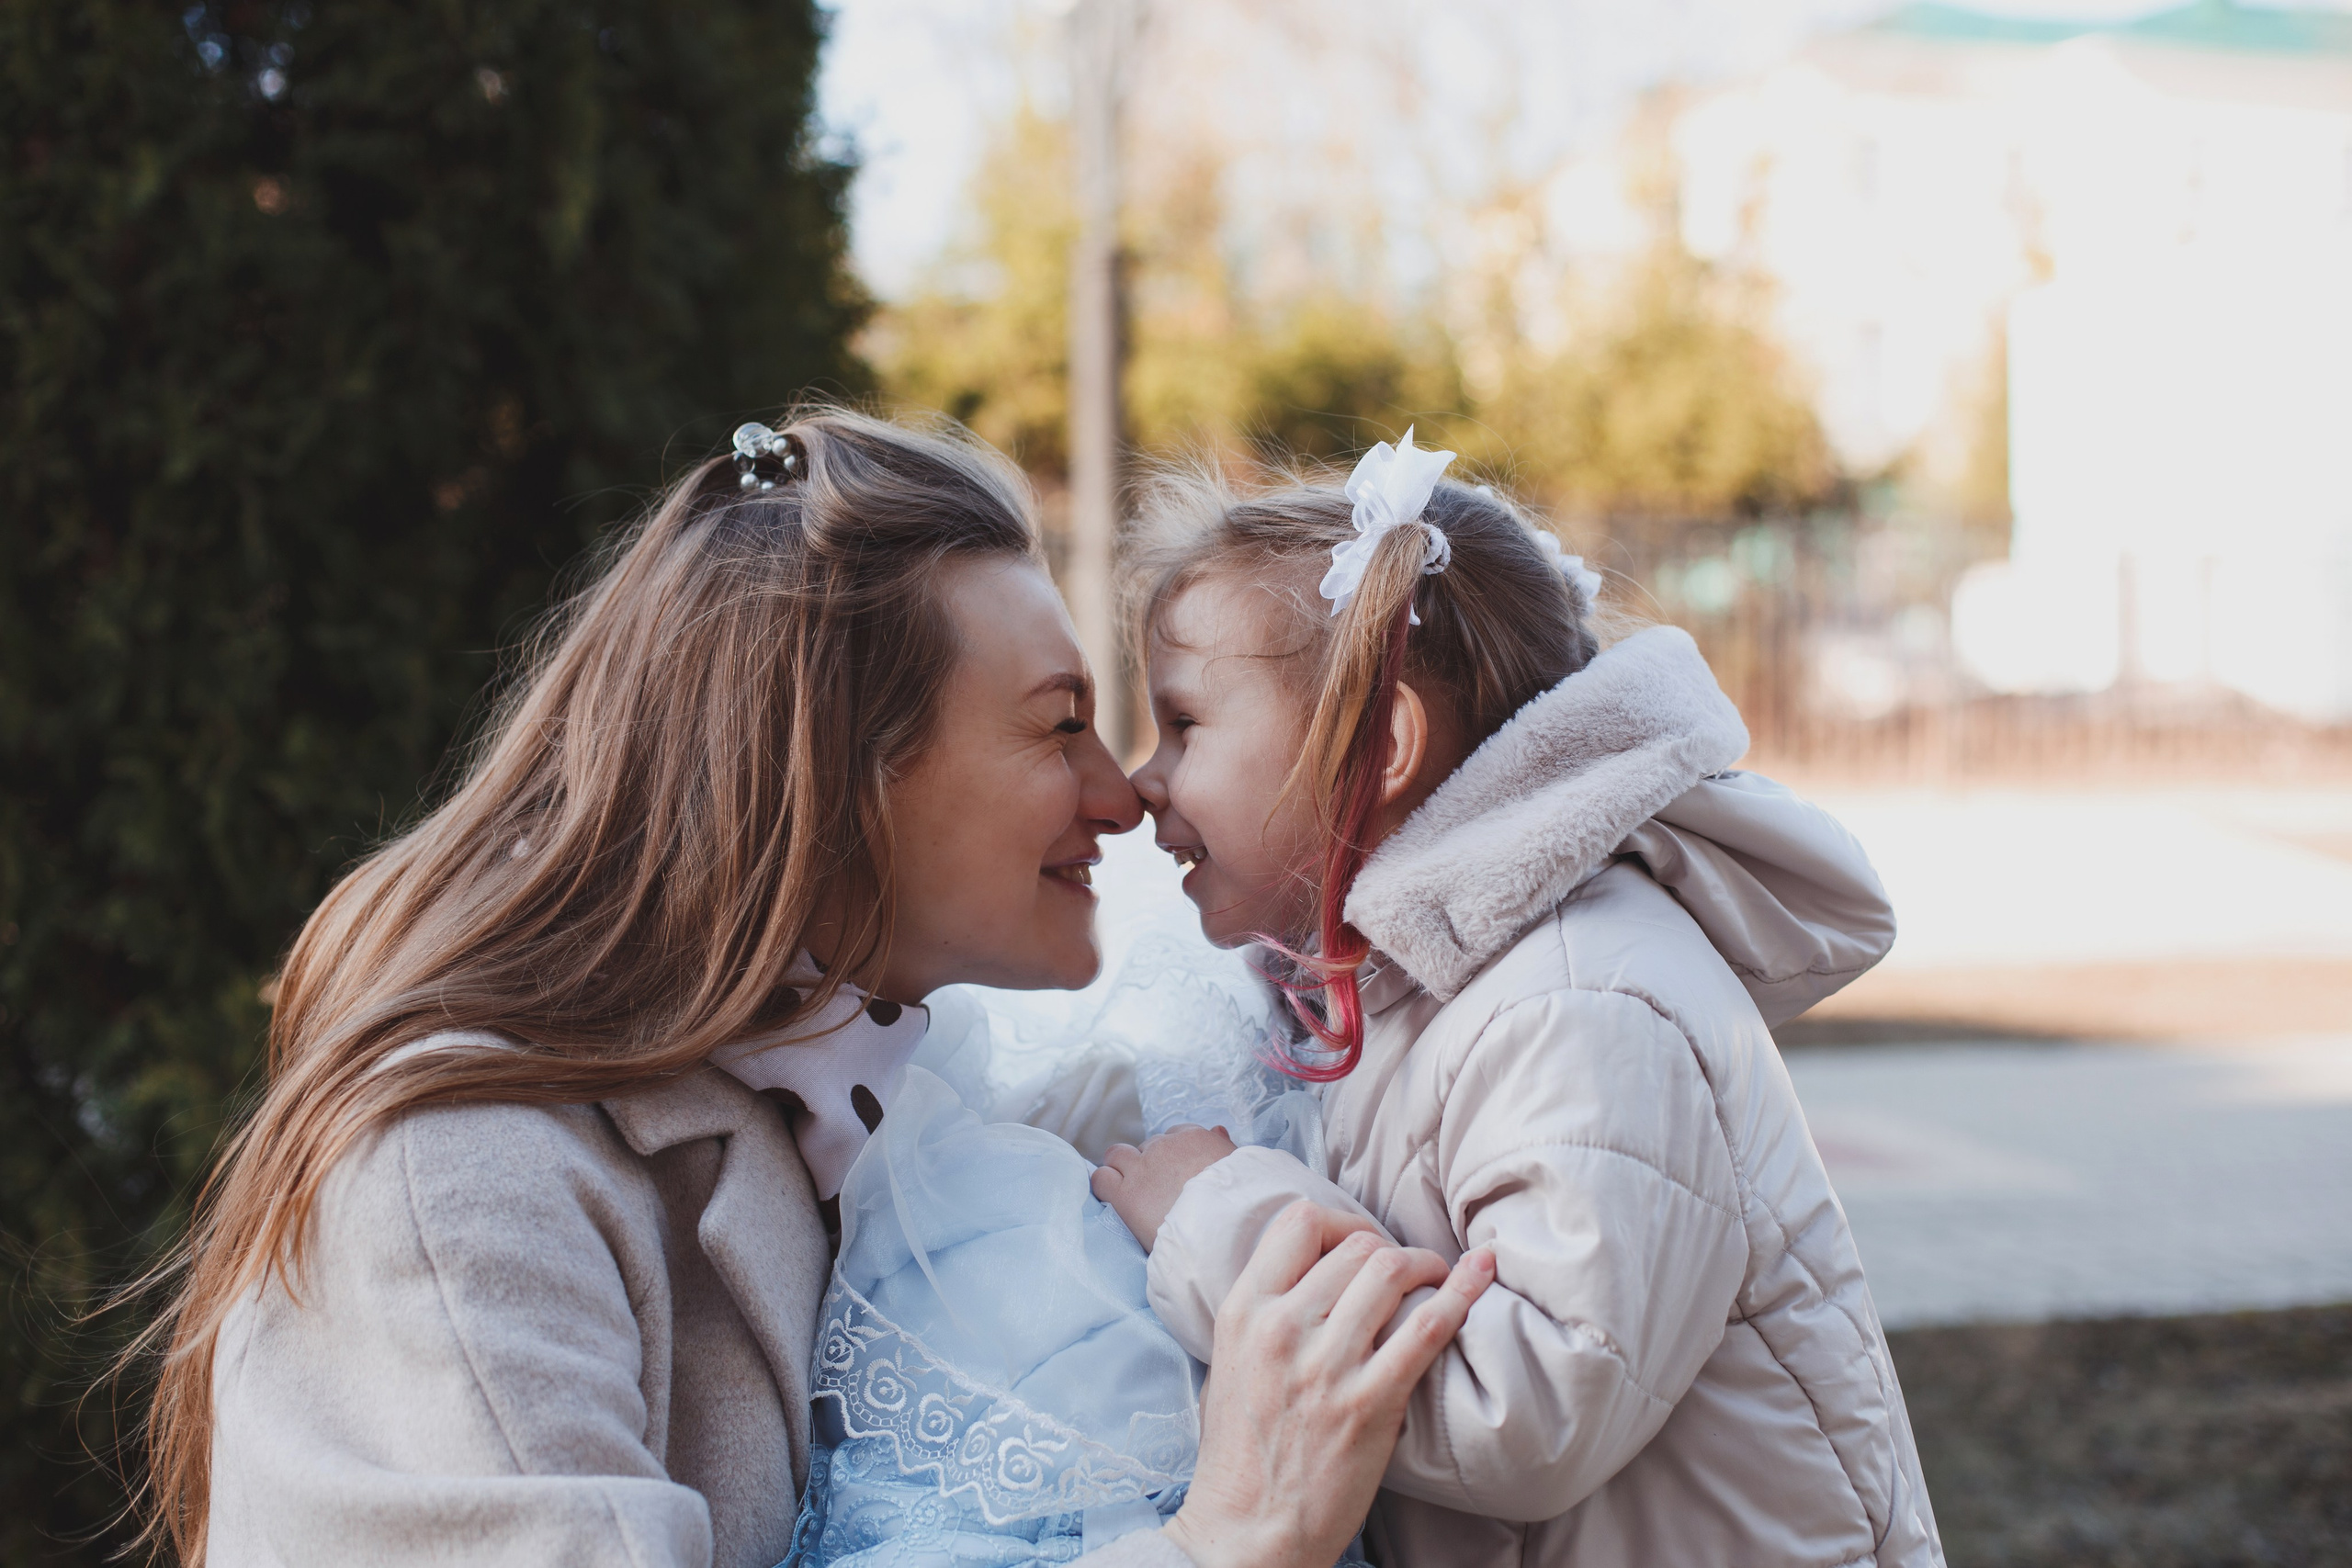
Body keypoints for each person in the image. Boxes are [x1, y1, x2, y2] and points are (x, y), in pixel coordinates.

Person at [134, 410, 1487, 1568]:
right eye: (1058, 722)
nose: (1116, 796)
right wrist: (1234, 1534)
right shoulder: (457, 1184)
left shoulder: (909, 1083)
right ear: (833, 775)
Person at [1093, 433, 1944, 1568]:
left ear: (1377, 744)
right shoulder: (1414, 983)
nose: (1141, 780)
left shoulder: (1574, 1001)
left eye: (1184, 724)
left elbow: (1527, 1409)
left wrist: (1217, 1225)